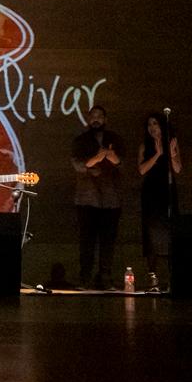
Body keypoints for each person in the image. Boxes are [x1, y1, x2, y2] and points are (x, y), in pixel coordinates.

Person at [70, 105, 126, 290]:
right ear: (88, 120)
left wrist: (110, 155)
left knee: (108, 242)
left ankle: (105, 279)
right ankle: (84, 278)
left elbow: (122, 163)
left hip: (111, 199)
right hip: (87, 199)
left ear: (105, 119)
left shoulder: (115, 139)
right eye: (93, 116)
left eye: (100, 116)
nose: (96, 119)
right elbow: (79, 165)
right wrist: (98, 157)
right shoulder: (80, 141)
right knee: (86, 241)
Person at [137, 112, 181, 287]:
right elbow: (141, 170)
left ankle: (173, 276)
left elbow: (178, 168)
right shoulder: (144, 146)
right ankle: (153, 276)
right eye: (149, 124)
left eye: (155, 123)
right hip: (151, 192)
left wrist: (170, 152)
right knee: (151, 234)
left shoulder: (172, 142)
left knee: (171, 232)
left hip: (168, 190)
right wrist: (157, 154)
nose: (152, 127)